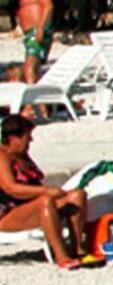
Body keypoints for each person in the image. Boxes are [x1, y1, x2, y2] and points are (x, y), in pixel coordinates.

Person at [0, 113, 94, 266]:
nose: (31, 140)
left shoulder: (22, 156)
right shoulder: (2, 156)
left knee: (77, 195)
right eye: (27, 136)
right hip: (8, 214)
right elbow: (10, 188)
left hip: (33, 206)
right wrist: (45, 190)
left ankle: (76, 249)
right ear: (12, 138)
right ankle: (61, 256)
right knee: (46, 201)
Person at [6, 0, 54, 90]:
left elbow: (48, 5)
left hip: (37, 31)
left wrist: (41, 28)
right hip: (31, 33)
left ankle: (32, 98)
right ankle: (35, 98)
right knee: (31, 67)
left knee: (30, 67)